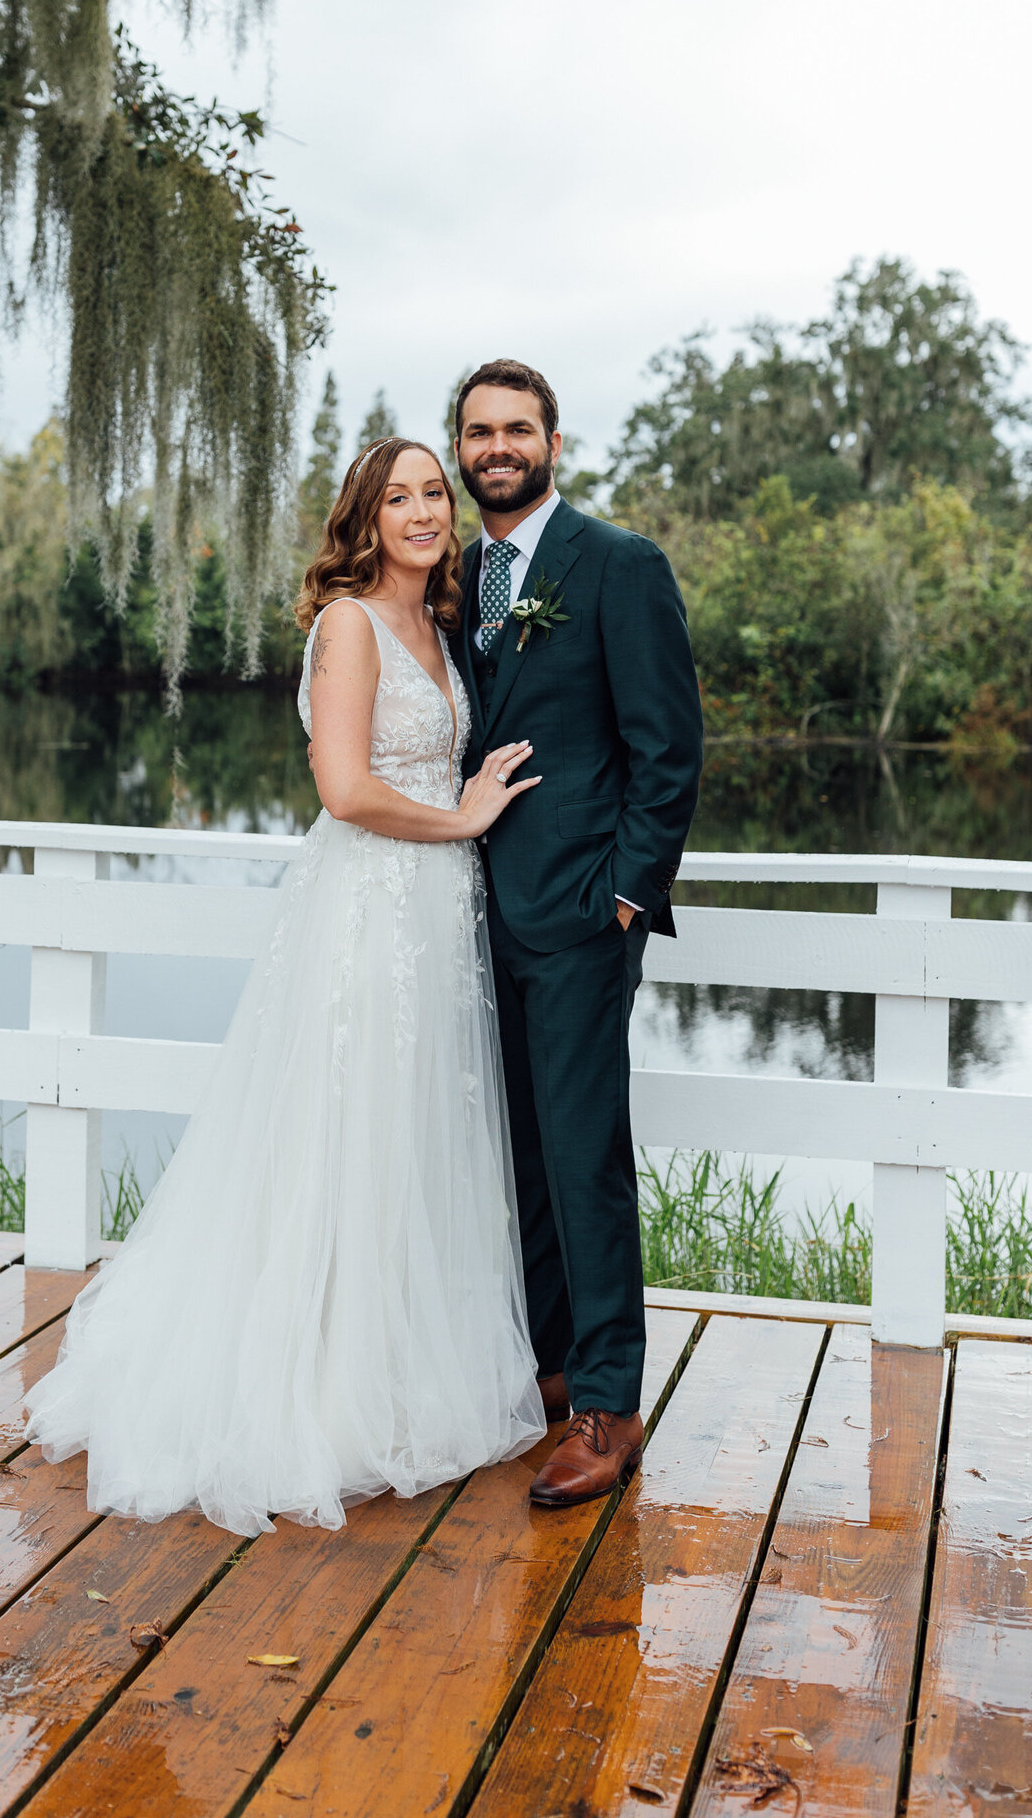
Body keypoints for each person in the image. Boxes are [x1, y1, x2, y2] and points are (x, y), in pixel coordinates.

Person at [25, 437, 546, 1535]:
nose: (419, 512)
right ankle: (314, 1396)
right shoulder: (350, 626)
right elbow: (347, 787)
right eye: (396, 497)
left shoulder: (439, 627)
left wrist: (477, 789)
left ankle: (398, 1375)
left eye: (431, 496)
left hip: (436, 917)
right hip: (367, 914)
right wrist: (461, 815)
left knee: (410, 1141)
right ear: (363, 518)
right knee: (342, 1135)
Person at [446, 358, 702, 1508]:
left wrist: (626, 895)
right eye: (478, 431)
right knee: (520, 1153)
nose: (496, 447)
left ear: (552, 440)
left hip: (580, 918)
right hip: (468, 918)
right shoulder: (453, 578)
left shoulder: (618, 566)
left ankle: (606, 1405)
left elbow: (667, 747)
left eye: (515, 429)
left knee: (585, 1155)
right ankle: (548, 1364)